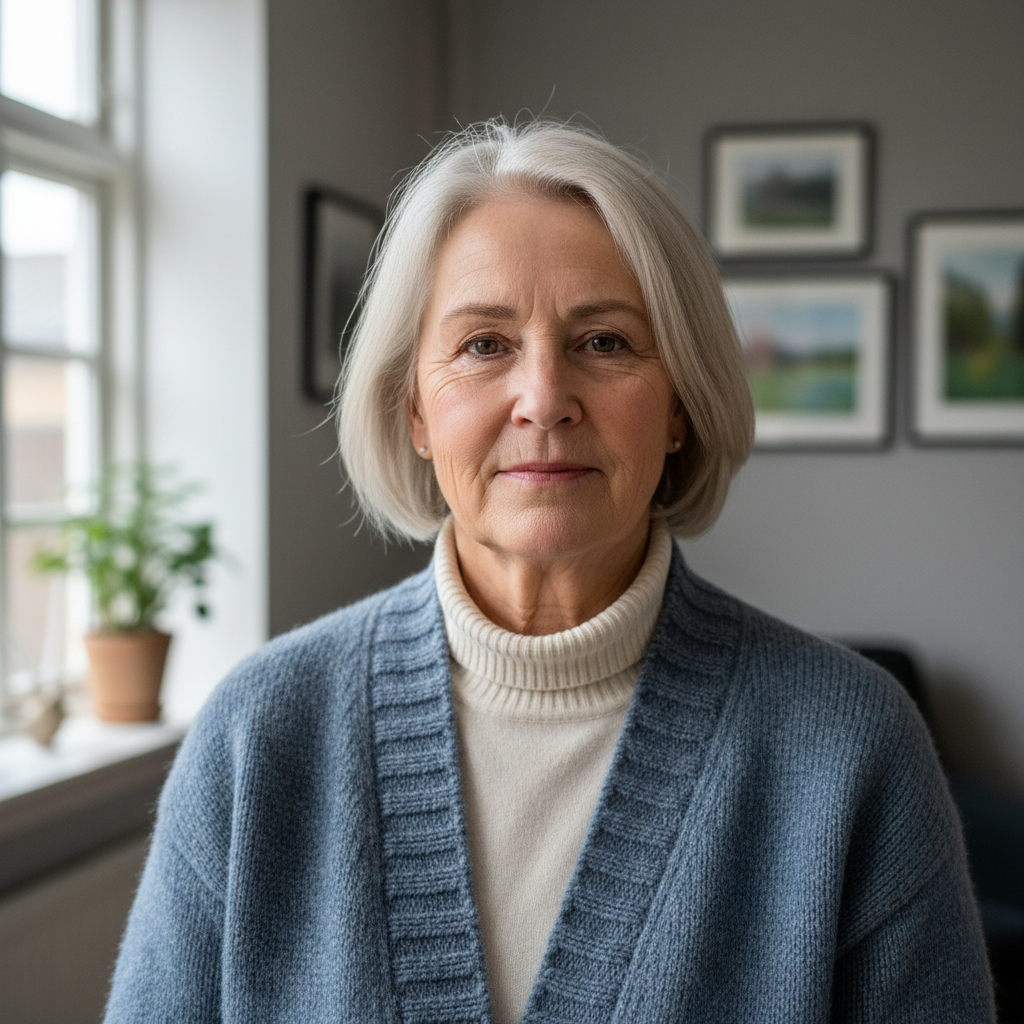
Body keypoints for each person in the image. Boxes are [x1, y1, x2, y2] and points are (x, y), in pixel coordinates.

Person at [104, 121, 994, 1023]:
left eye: (604, 342)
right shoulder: (260, 733)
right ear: (415, 409)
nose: (543, 399)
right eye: (484, 345)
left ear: (680, 404)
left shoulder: (851, 747)